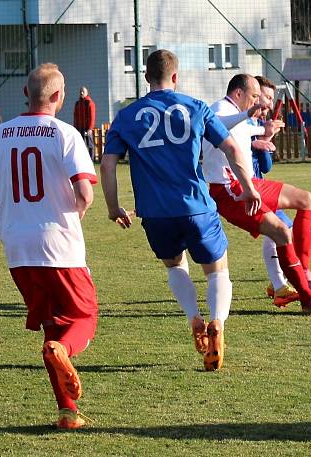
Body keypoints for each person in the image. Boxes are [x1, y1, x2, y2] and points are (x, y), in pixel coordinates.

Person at [101, 49, 261, 371]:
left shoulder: (126, 117)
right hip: (196, 207)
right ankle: (217, 323)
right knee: (217, 269)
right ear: (176, 77)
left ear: (146, 78)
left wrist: (113, 206)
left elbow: (107, 164)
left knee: (175, 266)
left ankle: (194, 319)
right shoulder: (195, 107)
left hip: (156, 213)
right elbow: (230, 147)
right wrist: (248, 187)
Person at [0, 63, 98, 430]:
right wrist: (70, 210)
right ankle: (65, 352)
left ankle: (67, 412)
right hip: (58, 243)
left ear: (26, 94)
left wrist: (18, 200)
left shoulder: (1, 134)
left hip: (16, 245)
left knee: (51, 324)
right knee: (83, 317)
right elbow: (85, 194)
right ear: (58, 96)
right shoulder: (65, 134)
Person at [202, 74, 311, 315]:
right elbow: (216, 125)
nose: (260, 102)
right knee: (281, 231)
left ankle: (304, 272)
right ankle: (308, 298)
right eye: (255, 96)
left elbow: (241, 134)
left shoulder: (237, 113)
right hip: (229, 190)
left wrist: (263, 132)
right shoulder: (220, 107)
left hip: (250, 182)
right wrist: (248, 116)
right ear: (238, 94)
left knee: (307, 200)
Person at [249, 76, 299, 309]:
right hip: (244, 188)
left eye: (271, 98)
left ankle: (276, 282)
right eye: (267, 97)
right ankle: (280, 287)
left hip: (260, 185)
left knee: (282, 230)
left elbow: (266, 166)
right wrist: (254, 141)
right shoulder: (242, 122)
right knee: (280, 229)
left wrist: (266, 139)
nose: (270, 103)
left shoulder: (261, 123)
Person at [73, 86, 97, 160]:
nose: (81, 93)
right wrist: (75, 127)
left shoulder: (89, 103)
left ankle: (91, 160)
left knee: (90, 144)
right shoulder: (77, 103)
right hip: (79, 128)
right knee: (80, 145)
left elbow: (92, 116)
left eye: (83, 91)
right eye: (80, 91)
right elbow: (75, 116)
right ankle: (81, 160)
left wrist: (90, 128)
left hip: (87, 128)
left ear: (87, 93)